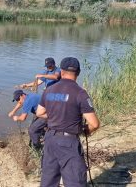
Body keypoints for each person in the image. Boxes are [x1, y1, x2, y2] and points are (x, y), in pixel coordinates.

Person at [36, 57, 100, 187]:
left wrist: (57, 116)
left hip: (50, 139)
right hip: (68, 142)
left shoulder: (49, 90)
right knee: (75, 181)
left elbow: (40, 113)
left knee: (48, 179)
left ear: (61, 71)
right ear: (78, 72)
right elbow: (94, 124)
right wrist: (85, 131)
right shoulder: (80, 93)